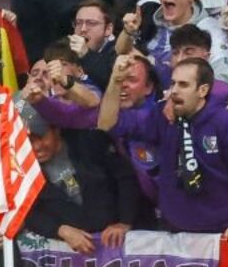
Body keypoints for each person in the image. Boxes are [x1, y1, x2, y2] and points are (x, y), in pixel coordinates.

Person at [99, 56, 228, 245]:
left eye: (183, 85)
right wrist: (115, 80)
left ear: (203, 90)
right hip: (172, 232)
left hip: (219, 233)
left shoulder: (225, 122)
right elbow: (106, 123)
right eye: (173, 83)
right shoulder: (162, 116)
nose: (174, 90)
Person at [16, 98, 139, 255]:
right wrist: (60, 230)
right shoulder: (21, 168)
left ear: (56, 129)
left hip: (119, 244)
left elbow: (125, 177)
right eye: (28, 140)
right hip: (71, 256)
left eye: (41, 137)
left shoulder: (89, 141)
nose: (37, 146)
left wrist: (125, 222)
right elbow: (29, 212)